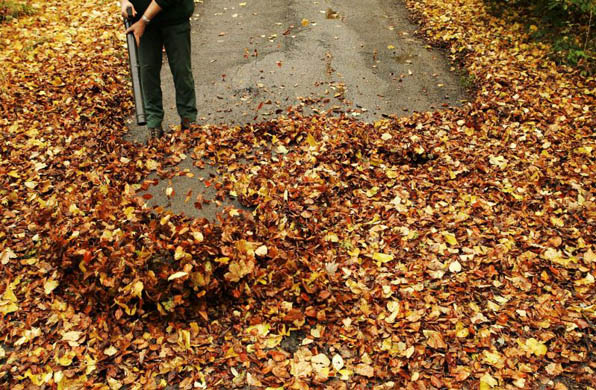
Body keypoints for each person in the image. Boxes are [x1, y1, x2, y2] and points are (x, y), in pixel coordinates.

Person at [121, 0, 198, 138]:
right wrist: (124, 1)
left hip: (175, 18)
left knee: (181, 71)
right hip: (142, 23)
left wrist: (144, 21)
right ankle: (154, 123)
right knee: (148, 72)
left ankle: (188, 119)